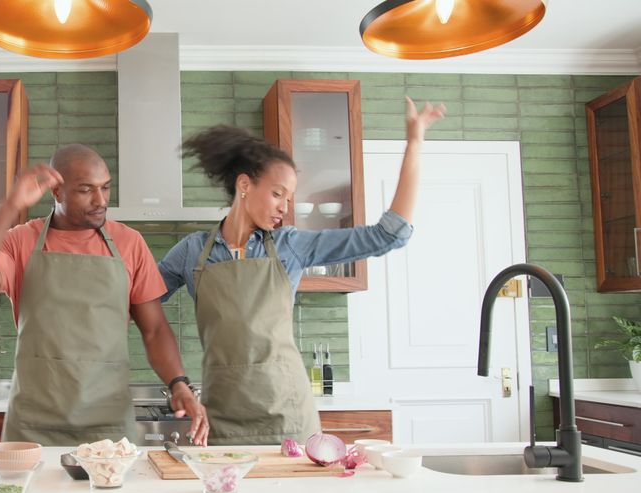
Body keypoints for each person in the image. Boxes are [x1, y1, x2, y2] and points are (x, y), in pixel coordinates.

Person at [158, 97, 446, 445]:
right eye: (278, 193)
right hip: (221, 417)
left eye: (289, 198)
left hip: (288, 412)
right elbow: (141, 305)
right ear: (245, 185)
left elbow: (389, 234)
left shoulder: (290, 245)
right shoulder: (191, 252)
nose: (284, 207)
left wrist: (414, 142)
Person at [0, 144, 208, 446]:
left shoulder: (129, 243)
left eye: (105, 188)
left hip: (107, 426)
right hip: (33, 424)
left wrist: (179, 383)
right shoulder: (21, 241)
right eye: (86, 190)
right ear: (56, 192)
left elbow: (154, 329)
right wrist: (9, 206)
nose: (101, 200)